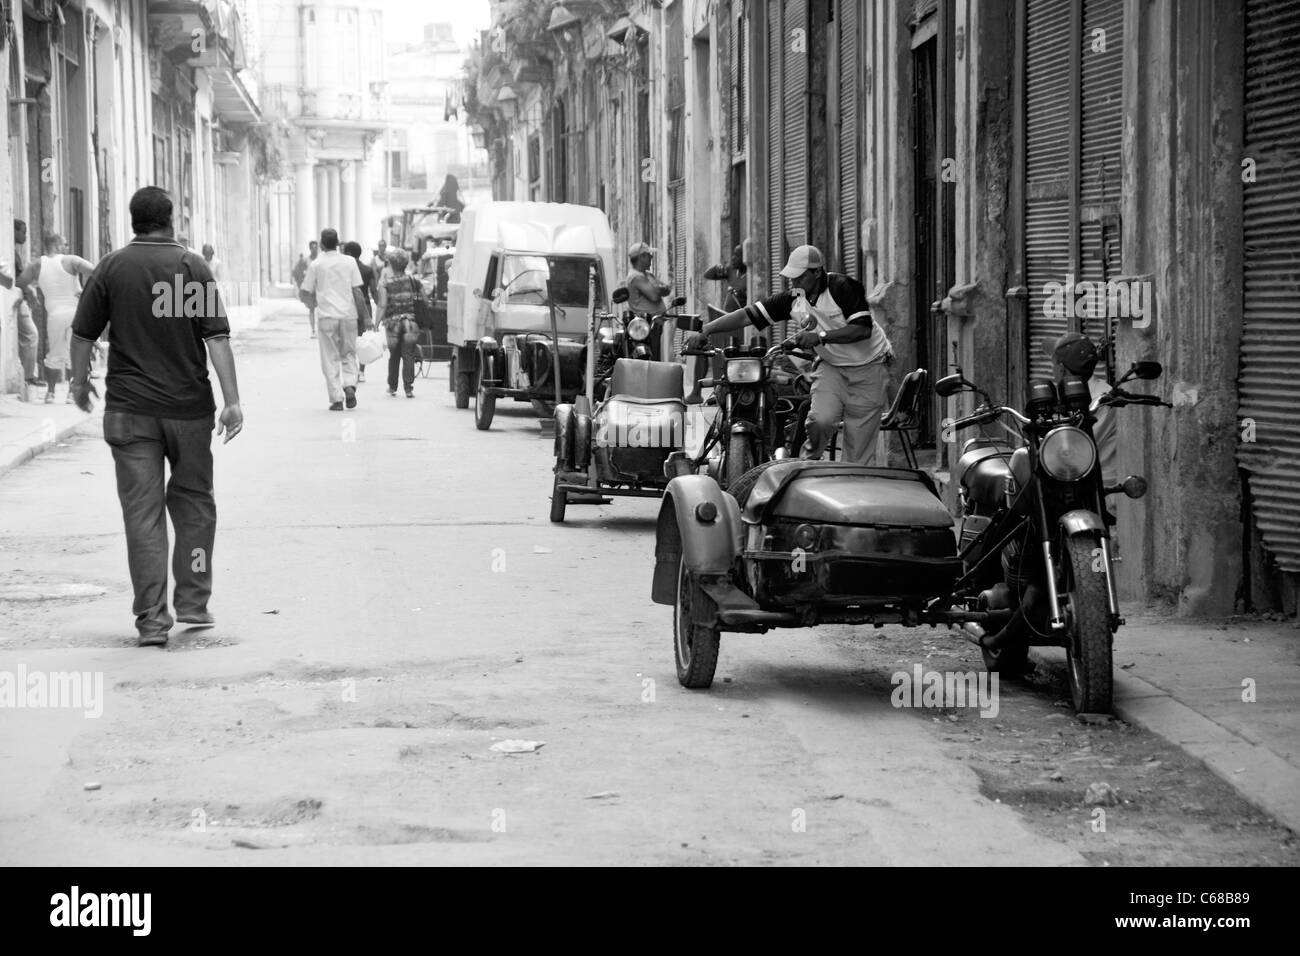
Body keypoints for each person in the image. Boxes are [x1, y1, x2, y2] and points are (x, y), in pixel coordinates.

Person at [66, 185, 242, 647]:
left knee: (141, 517)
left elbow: (82, 335)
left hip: (129, 414)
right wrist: (233, 401)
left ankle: (151, 621)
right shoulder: (191, 267)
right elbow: (216, 339)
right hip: (188, 413)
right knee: (195, 508)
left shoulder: (111, 267)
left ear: (133, 221)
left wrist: (80, 384)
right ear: (171, 219)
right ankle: (194, 601)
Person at [684, 244, 893, 465]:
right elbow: (748, 315)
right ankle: (807, 464)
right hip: (832, 366)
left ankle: (852, 482)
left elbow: (862, 329)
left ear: (817, 272)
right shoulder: (794, 297)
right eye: (792, 278)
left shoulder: (843, 287)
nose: (794, 283)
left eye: (800, 278)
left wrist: (820, 336)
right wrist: (706, 330)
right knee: (821, 420)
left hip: (870, 366)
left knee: (858, 441)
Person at [17, 234, 96, 404]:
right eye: (65, 244)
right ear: (58, 245)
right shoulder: (72, 260)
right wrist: (87, 291)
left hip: (55, 315)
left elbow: (20, 282)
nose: (67, 247)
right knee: (73, 354)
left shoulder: (37, 264)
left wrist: (31, 289)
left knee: (54, 353)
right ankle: (70, 394)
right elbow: (97, 272)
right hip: (77, 313)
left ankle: (51, 393)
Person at [299, 228, 370, 411]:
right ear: (338, 243)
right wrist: (366, 316)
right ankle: (349, 386)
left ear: (322, 244)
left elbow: (305, 291)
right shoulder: (349, 262)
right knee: (348, 354)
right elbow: (357, 291)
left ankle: (337, 399)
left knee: (330, 358)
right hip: (348, 316)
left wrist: (312, 304)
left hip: (326, 317)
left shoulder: (316, 264)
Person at [375, 248, 422, 398]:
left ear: (391, 264)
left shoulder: (385, 283)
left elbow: (382, 305)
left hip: (392, 324)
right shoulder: (414, 281)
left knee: (394, 355)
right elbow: (424, 300)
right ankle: (408, 388)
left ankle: (392, 386)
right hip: (410, 323)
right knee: (408, 354)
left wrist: (376, 324)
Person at [10, 220, 42, 392]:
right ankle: (28, 376)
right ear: (13, 231)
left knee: (28, 336)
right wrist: (29, 290)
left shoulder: (14, 251)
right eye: (23, 231)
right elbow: (17, 278)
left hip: (19, 298)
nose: (25, 235)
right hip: (16, 298)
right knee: (30, 335)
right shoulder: (10, 251)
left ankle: (28, 375)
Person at [343, 241, 375, 383]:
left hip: (348, 307)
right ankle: (361, 371)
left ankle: (352, 369)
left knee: (350, 340)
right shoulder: (368, 270)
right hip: (365, 307)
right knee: (363, 340)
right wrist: (380, 306)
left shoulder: (345, 269)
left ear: (349, 254)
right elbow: (373, 291)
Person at [625, 242, 672, 316]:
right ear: (641, 257)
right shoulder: (635, 277)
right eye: (648, 254)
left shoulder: (648, 275)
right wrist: (659, 288)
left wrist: (657, 289)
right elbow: (654, 296)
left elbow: (667, 289)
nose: (651, 256)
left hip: (654, 323)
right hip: (643, 324)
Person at [703, 244, 748, 312]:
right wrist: (716, 268)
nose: (733, 258)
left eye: (737, 256)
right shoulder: (731, 270)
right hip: (727, 314)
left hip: (741, 316)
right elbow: (707, 275)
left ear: (745, 258)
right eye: (733, 255)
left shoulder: (750, 277)